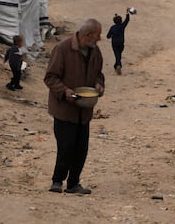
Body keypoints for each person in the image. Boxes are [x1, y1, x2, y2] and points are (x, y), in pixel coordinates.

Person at [44, 19, 105, 195]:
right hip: (64, 109)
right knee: (66, 147)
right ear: (87, 35)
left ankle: (73, 184)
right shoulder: (63, 49)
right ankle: (57, 181)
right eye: (97, 35)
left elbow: (99, 74)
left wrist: (99, 85)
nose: (99, 39)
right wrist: (65, 91)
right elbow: (50, 77)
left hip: (84, 110)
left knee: (81, 149)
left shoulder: (95, 51)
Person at [106, 10, 131, 74]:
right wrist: (127, 13)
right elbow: (127, 20)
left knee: (117, 54)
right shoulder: (122, 26)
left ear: (114, 21)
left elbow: (108, 36)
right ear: (121, 20)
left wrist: (111, 35)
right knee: (119, 54)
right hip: (121, 43)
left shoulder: (112, 27)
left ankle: (117, 65)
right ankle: (117, 65)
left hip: (114, 43)